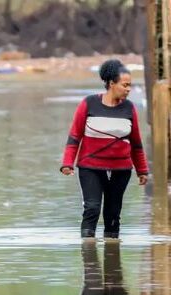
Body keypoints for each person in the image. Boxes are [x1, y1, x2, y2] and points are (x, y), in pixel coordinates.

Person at [60, 59, 149, 240]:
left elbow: (136, 143)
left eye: (130, 85)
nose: (128, 89)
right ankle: (89, 258)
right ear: (111, 83)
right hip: (90, 166)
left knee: (113, 214)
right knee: (92, 208)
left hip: (121, 169)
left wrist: (142, 170)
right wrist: (67, 163)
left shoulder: (129, 108)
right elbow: (75, 136)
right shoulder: (89, 103)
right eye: (125, 85)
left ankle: (112, 259)